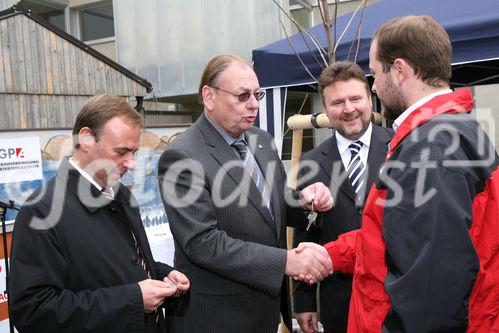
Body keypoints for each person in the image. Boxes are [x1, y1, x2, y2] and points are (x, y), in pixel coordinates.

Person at [307, 15, 499, 332]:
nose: (375, 86)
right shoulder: (450, 131)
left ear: (399, 70)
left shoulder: (429, 149)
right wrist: (332, 255)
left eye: (374, 73)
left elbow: (433, 291)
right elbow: (395, 238)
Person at [157, 54, 334, 333]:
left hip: (264, 312)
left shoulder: (261, 140)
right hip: (218, 317)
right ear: (209, 96)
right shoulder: (182, 156)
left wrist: (306, 201)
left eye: (257, 94)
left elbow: (271, 203)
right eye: (242, 96)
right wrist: (285, 261)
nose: (253, 104)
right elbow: (202, 242)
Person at [10, 94, 190, 333]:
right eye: (121, 152)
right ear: (86, 139)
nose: (131, 163)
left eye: (134, 152)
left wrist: (164, 277)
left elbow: (126, 265)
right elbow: (32, 311)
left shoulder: (122, 195)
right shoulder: (41, 211)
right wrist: (133, 300)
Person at [292, 62, 393, 333]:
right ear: (325, 108)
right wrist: (303, 300)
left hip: (394, 298)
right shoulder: (312, 161)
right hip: (339, 301)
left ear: (369, 99)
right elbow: (306, 234)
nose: (348, 109)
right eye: (337, 102)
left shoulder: (400, 147)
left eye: (355, 98)